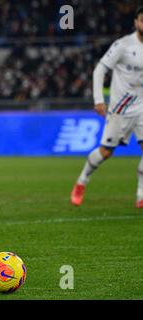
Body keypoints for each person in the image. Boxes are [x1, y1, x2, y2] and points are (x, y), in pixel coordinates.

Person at [71, 6, 143, 207]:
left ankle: (141, 194)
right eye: (142, 20)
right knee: (106, 152)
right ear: (136, 23)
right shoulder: (123, 45)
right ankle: (82, 181)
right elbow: (100, 69)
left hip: (142, 107)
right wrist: (98, 100)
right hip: (121, 107)